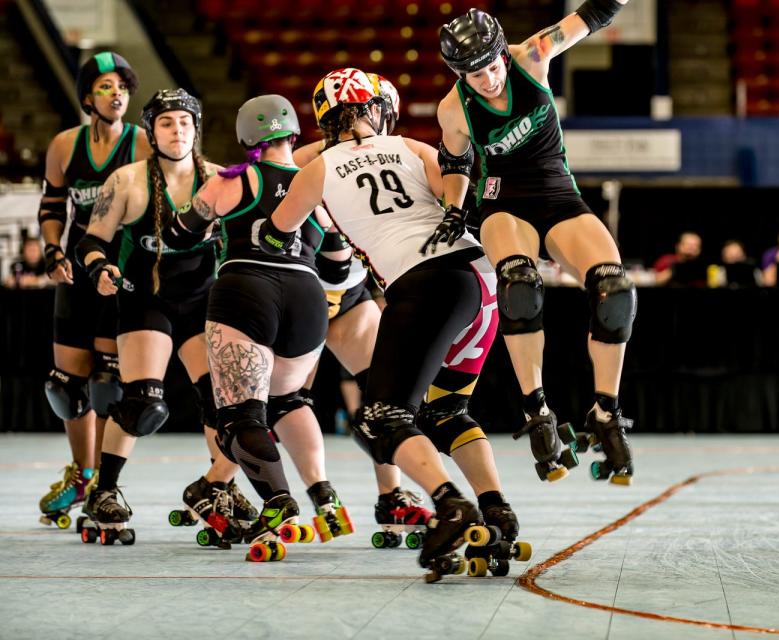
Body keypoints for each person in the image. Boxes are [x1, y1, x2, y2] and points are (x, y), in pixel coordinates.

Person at [259, 67, 528, 579]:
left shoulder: (317, 167)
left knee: (380, 416)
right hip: (479, 279)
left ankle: (451, 504)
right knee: (446, 410)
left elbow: (278, 230)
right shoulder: (411, 145)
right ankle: (496, 510)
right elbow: (460, 196)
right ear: (380, 110)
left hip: (426, 285)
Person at [434, 5, 636, 485]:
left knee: (615, 290)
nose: (485, 81)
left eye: (489, 67)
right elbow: (455, 161)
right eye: (472, 74)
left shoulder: (532, 55)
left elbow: (594, 15)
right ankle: (537, 410)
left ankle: (605, 411)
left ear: (503, 53)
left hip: (557, 191)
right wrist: (453, 208)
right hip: (503, 198)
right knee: (519, 286)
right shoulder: (453, 108)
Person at [166, 94, 358, 555]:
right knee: (287, 400)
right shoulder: (319, 187)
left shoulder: (234, 180)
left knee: (240, 416)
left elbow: (177, 234)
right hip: (308, 301)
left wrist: (208, 223)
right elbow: (339, 269)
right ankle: (319, 493)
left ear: (247, 138)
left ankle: (277, 498)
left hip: (245, 291)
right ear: (293, 133)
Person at [75, 89, 250, 545]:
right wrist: (99, 268)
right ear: (152, 131)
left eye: (185, 123)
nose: (178, 131)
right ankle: (105, 490)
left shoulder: (221, 179)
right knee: (144, 402)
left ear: (197, 129)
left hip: (200, 302)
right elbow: (91, 241)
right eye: (168, 123)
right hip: (144, 299)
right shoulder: (128, 181)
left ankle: (220, 487)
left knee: (221, 402)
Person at [292, 76, 433, 538]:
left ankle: (392, 496)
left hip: (347, 291)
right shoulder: (310, 162)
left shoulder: (384, 155)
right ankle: (248, 488)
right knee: (275, 402)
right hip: (303, 293)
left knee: (385, 398)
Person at [36, 52, 149, 529]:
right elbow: (52, 207)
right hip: (77, 277)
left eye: (122, 85)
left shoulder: (141, 143)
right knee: (66, 387)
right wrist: (51, 253)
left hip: (118, 276)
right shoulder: (65, 145)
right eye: (105, 86)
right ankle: (81, 474)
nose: (116, 93)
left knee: (108, 385)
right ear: (87, 97)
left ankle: (104, 482)